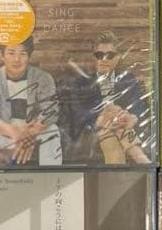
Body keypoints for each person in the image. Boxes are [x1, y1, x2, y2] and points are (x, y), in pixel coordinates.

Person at [59, 31, 150, 164]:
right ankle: (139, 156)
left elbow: (139, 109)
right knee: (112, 112)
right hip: (93, 131)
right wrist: (99, 119)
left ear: (117, 58)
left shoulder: (128, 80)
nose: (104, 59)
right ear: (94, 58)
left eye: (109, 55)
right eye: (99, 55)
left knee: (113, 126)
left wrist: (130, 118)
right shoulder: (82, 82)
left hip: (122, 127)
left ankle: (133, 156)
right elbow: (77, 113)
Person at [0, 36, 62, 166]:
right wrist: (13, 132)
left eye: (22, 53)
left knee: (53, 130)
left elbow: (52, 111)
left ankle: (53, 176)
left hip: (33, 131)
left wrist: (31, 132)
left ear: (29, 56)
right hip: (4, 131)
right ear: (2, 56)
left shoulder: (43, 78)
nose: (17, 59)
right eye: (11, 53)